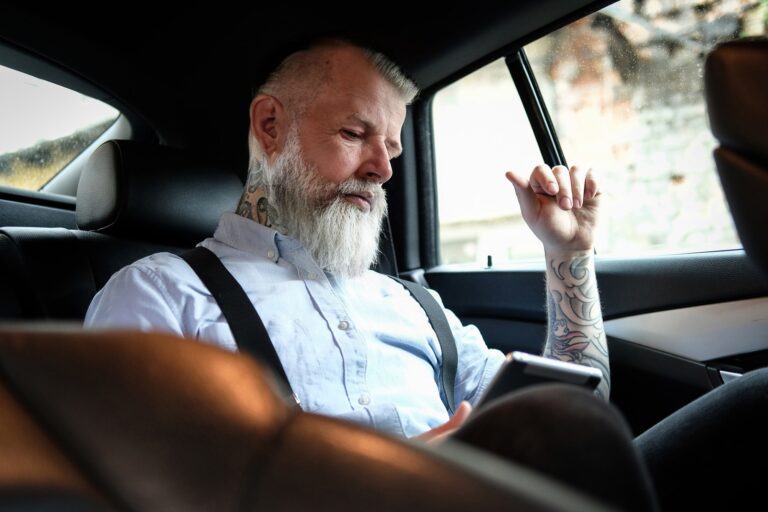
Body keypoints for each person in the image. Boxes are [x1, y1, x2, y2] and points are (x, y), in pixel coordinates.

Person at [84, 38, 766, 511]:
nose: (383, 169)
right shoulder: (160, 293)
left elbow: (569, 410)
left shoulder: (412, 304)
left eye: (392, 147)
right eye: (356, 135)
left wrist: (567, 255)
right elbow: (124, 490)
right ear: (270, 125)